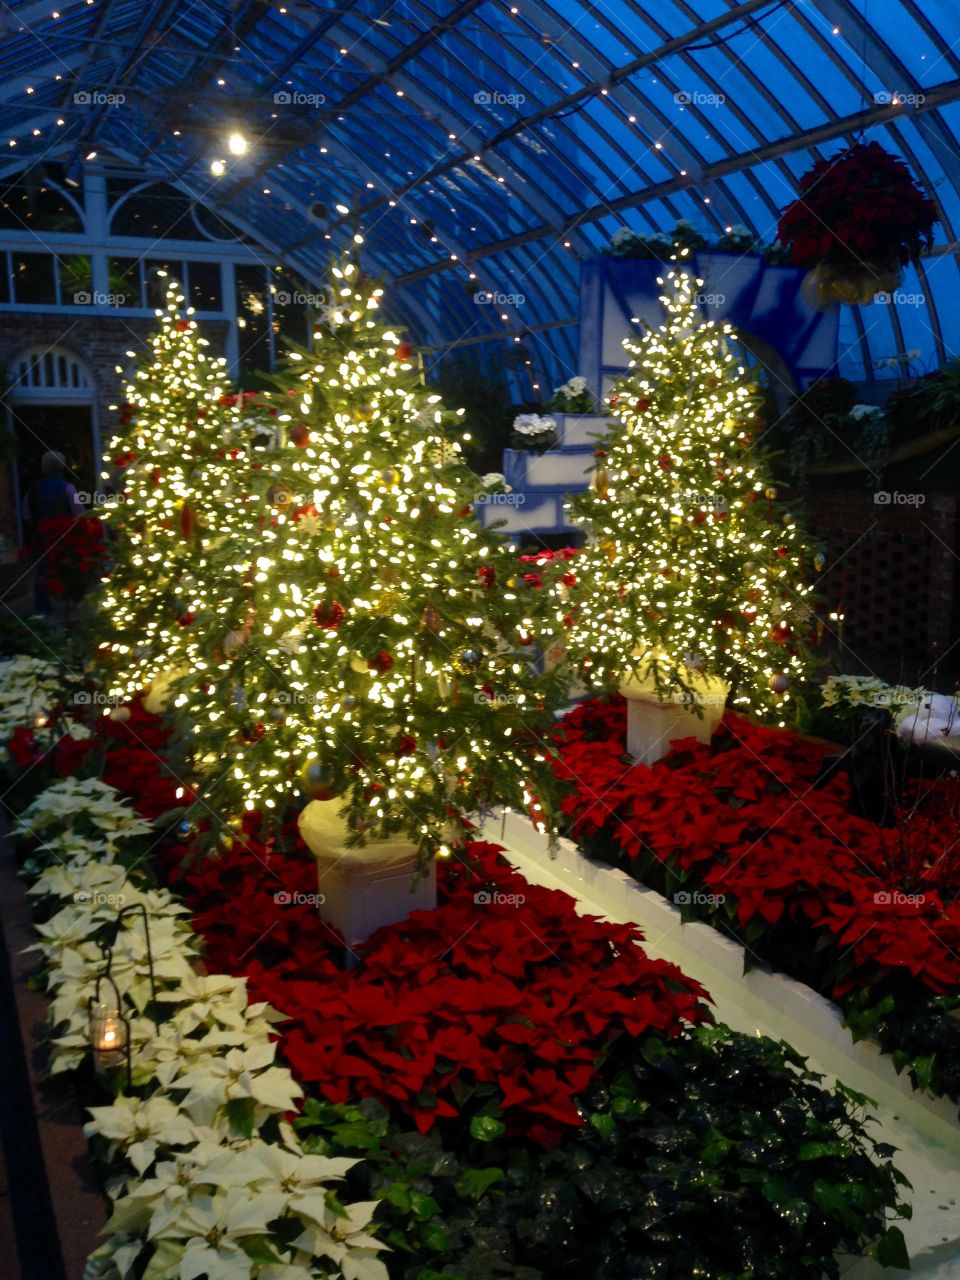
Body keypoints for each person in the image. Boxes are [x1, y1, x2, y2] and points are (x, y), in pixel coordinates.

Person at [21, 451, 86, 613]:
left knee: (43, 571)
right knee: (69, 567)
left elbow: (26, 513)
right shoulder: (68, 487)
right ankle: (70, 604)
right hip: (65, 536)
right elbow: (79, 512)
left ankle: (42, 607)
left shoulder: (33, 489)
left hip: (43, 535)